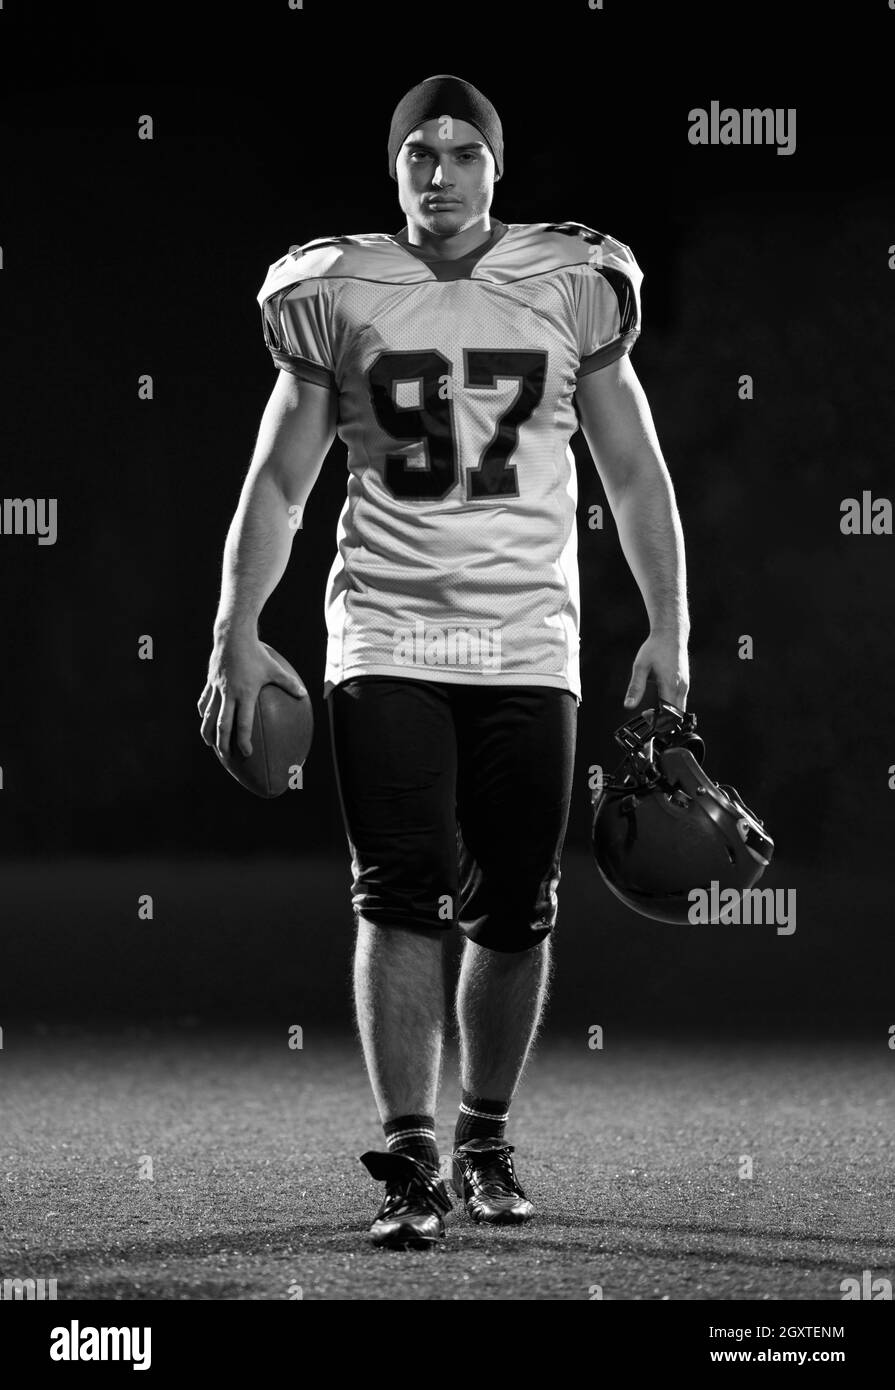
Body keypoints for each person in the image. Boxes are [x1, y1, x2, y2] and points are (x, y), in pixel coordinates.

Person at [198, 74, 690, 1250]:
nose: (440, 173)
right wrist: (234, 623)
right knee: (397, 889)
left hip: (529, 636)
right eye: (419, 152)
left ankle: (482, 1134)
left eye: (465, 153)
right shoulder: (336, 289)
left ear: (497, 168)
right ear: (393, 169)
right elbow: (279, 481)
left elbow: (632, 473)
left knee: (518, 908)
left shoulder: (574, 282)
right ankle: (410, 1154)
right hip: (387, 630)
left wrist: (669, 627)